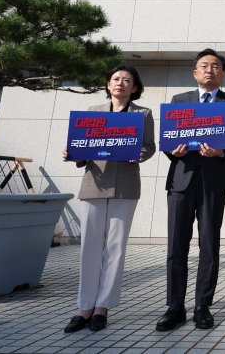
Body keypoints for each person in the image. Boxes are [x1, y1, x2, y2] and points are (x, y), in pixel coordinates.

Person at [63, 64, 156, 333]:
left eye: (127, 80)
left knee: (115, 247)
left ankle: (102, 307)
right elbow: (82, 148)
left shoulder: (143, 114)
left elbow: (149, 146)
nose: (120, 83)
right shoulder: (92, 113)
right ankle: (84, 307)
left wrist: (141, 154)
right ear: (107, 84)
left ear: (135, 88)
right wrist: (74, 153)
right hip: (94, 183)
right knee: (89, 246)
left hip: (125, 185)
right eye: (116, 79)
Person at [156, 48, 225, 332]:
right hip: (181, 179)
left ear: (223, 73)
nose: (210, 70)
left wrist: (221, 151)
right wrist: (174, 151)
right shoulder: (179, 101)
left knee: (209, 244)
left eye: (216, 66)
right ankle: (174, 307)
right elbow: (168, 140)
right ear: (195, 73)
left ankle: (202, 306)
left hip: (213, 182)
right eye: (204, 66)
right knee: (176, 245)